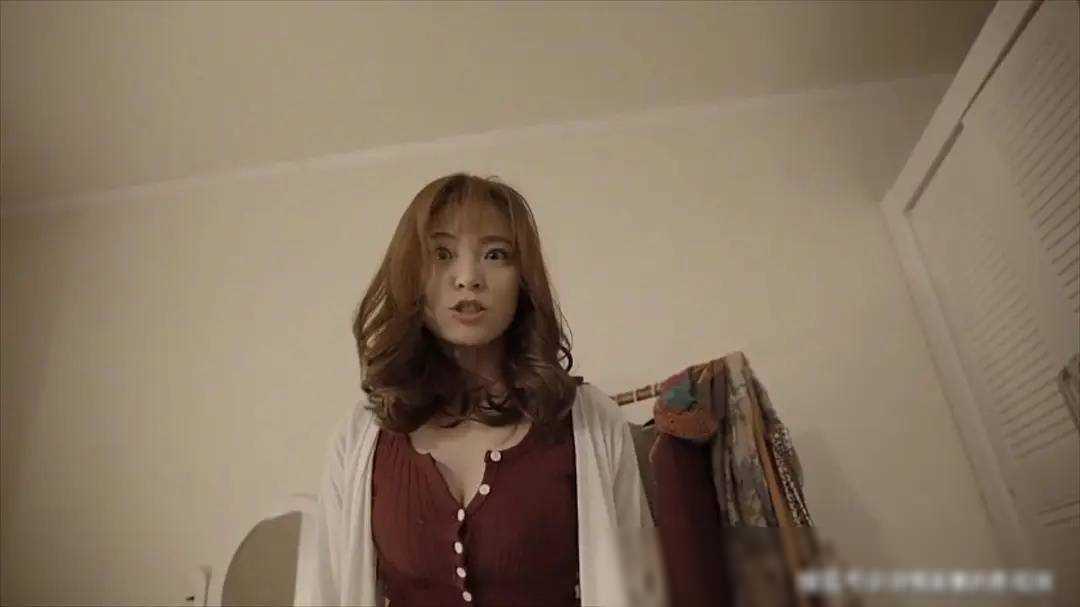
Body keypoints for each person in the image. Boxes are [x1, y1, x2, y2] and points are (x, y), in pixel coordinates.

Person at [300, 173, 654, 607]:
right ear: (410, 274)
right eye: (441, 254)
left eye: (495, 254)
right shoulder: (358, 439)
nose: (468, 278)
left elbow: (638, 591)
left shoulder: (592, 423)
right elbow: (326, 591)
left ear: (523, 279)